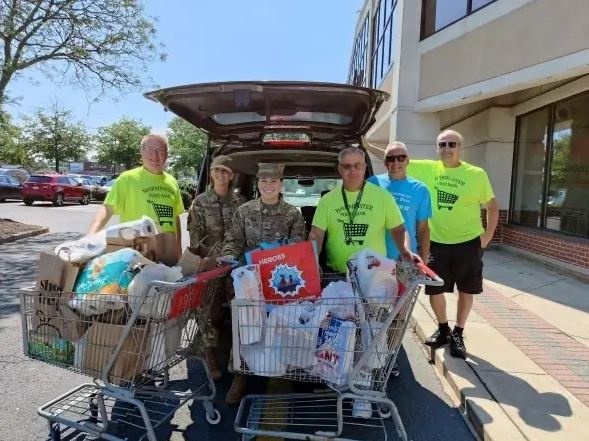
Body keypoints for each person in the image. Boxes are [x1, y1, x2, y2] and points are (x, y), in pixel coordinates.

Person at [219, 162, 306, 405]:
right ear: (258, 183)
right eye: (264, 181)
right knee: (243, 327)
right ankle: (240, 376)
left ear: (281, 184)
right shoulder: (244, 211)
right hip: (249, 279)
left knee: (282, 324)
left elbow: (297, 249)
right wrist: (229, 259)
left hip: (281, 280)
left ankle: (285, 369)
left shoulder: (292, 214)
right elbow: (234, 241)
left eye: (273, 181)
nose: (268, 185)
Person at [407, 129, 498, 359]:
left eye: (452, 144)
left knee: (466, 290)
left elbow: (492, 206)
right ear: (437, 148)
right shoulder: (429, 168)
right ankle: (444, 328)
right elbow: (397, 158)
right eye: (442, 144)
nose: (447, 148)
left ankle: (458, 332)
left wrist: (486, 237)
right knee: (435, 290)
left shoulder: (476, 174)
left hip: (468, 242)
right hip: (437, 243)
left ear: (460, 148)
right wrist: (366, 145)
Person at [308, 146, 416, 275]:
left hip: (375, 274)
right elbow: (316, 234)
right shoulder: (327, 200)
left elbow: (398, 229)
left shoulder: (383, 197)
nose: (352, 170)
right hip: (337, 275)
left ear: (364, 167)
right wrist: (312, 260)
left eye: (357, 165)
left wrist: (405, 251)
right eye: (347, 166)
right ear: (340, 169)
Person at [186, 155, 246, 382]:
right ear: (211, 173)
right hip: (211, 267)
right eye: (216, 170)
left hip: (235, 268)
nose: (220, 174)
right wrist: (209, 259)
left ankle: (239, 362)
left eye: (225, 171)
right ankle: (210, 356)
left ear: (232, 176)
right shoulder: (200, 202)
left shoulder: (241, 203)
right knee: (208, 314)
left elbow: (244, 235)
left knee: (240, 313)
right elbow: (195, 239)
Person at [88, 133, 185, 258]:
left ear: (167, 153)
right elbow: (107, 209)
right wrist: (91, 236)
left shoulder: (172, 182)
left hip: (167, 252)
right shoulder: (127, 178)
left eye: (160, 150)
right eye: (150, 149)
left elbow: (175, 219)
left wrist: (178, 249)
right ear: (142, 152)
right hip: (136, 251)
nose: (155, 156)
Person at [367, 141, 432, 262]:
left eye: (401, 158)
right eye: (390, 158)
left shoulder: (420, 189)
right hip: (375, 258)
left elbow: (423, 229)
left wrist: (423, 260)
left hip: (405, 258)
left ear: (408, 160)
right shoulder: (372, 183)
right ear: (385, 162)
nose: (395, 162)